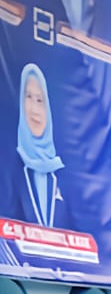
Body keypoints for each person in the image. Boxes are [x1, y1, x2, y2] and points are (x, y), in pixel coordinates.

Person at [17, 64, 63, 228]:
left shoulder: (61, 173)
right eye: (28, 97)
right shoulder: (9, 167)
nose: (34, 109)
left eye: (40, 100)